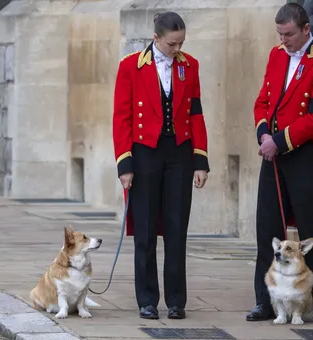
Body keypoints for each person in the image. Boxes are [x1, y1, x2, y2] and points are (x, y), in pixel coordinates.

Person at [246, 3, 313, 326]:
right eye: (280, 34)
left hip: (304, 156)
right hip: (273, 154)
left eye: (288, 34)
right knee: (267, 230)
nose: (283, 40)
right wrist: (263, 134)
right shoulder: (276, 55)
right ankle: (266, 301)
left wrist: (279, 140)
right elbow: (263, 101)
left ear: (305, 29)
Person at [112, 11, 210, 320]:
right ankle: (147, 300)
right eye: (171, 44)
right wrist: (124, 164)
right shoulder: (131, 66)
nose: (177, 49)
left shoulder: (189, 65)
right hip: (144, 154)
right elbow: (121, 117)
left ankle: (177, 300)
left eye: (181, 43)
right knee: (145, 230)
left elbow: (196, 113)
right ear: (156, 39)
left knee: (176, 227)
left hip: (179, 153)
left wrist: (200, 160)